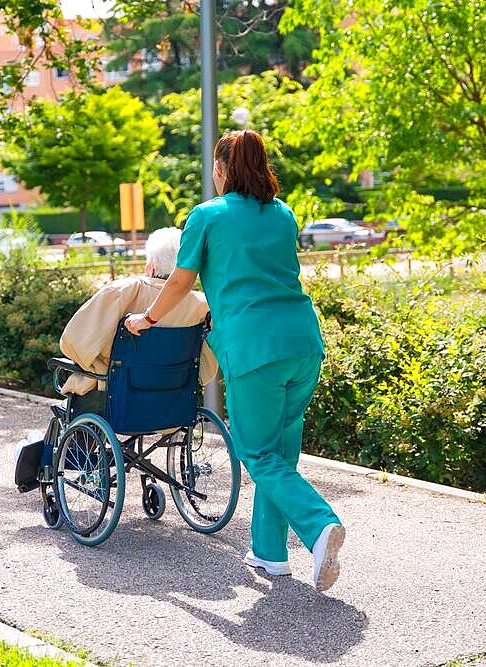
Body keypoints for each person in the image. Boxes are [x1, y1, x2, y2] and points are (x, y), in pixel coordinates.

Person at [124, 130, 345, 592]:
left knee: (256, 451)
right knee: (279, 452)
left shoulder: (206, 216)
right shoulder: (283, 215)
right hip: (303, 343)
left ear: (222, 169)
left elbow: (181, 283)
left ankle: (319, 524)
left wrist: (147, 317)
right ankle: (269, 553)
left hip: (254, 350)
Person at [58, 227, 218, 401]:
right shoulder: (203, 305)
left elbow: (73, 343)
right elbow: (206, 369)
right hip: (174, 398)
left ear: (150, 266)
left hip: (119, 399)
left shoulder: (122, 292)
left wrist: (100, 364)